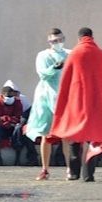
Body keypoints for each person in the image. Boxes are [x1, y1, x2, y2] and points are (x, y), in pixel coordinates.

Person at [49, 27, 102, 182]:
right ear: (92, 37)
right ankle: (89, 174)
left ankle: (74, 173)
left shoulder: (74, 54)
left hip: (77, 103)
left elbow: (65, 82)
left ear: (79, 38)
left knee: (75, 137)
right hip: (97, 104)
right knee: (93, 138)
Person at [25, 28, 69, 180]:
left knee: (67, 135)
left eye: (60, 39)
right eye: (54, 41)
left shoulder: (70, 54)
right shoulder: (43, 55)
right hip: (46, 97)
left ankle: (70, 168)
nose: (58, 43)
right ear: (49, 42)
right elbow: (43, 74)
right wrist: (56, 66)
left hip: (65, 97)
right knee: (46, 133)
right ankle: (45, 169)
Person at [0, 81, 24, 166]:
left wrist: (6, 120)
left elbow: (18, 117)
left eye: (11, 96)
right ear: (2, 95)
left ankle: (17, 158)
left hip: (12, 126)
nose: (9, 98)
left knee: (18, 129)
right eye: (7, 96)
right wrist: (6, 121)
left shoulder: (17, 102)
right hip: (1, 126)